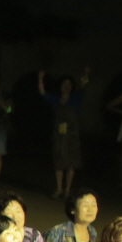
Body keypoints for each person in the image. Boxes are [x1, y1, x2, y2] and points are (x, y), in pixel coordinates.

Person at [39, 67, 90, 198]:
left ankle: (67, 189)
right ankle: (59, 188)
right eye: (64, 84)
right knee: (59, 161)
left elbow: (84, 85)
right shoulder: (56, 99)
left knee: (71, 162)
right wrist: (40, 78)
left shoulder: (75, 97)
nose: (66, 87)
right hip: (59, 134)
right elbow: (43, 93)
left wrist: (86, 73)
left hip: (72, 134)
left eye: (69, 85)